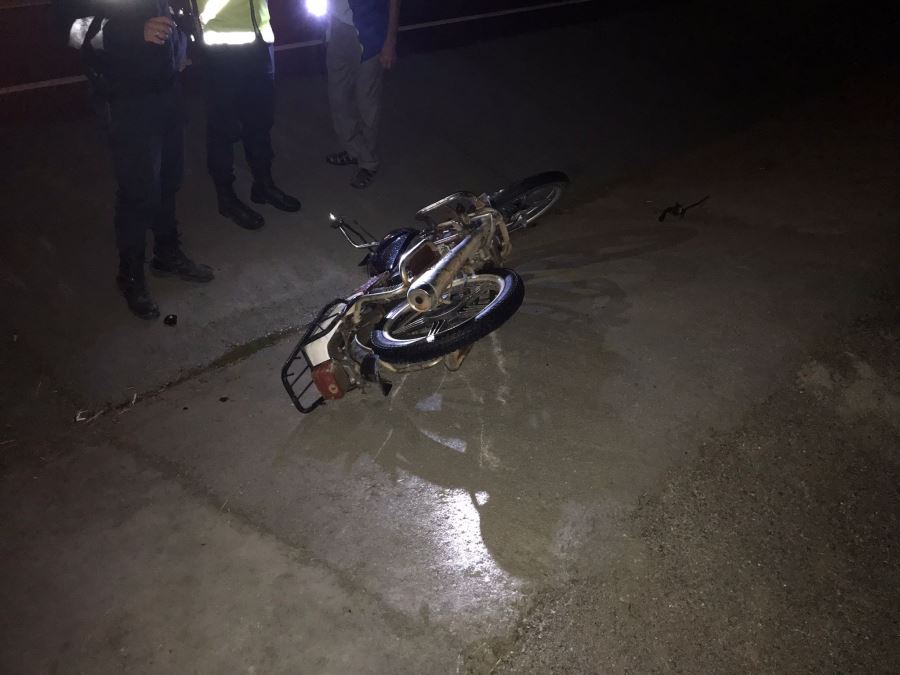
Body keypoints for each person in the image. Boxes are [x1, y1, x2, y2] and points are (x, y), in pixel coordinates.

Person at [101, 0, 214, 319]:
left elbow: (171, 13)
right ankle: (130, 275)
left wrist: (182, 47)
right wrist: (133, 32)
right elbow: (69, 27)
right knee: (138, 191)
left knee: (169, 179)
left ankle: (167, 253)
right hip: (127, 97)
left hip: (167, 90)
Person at [197, 0, 301, 230]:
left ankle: (263, 185)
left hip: (258, 43)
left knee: (260, 120)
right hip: (220, 50)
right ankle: (226, 198)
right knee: (222, 129)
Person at [324, 0, 400, 189]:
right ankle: (353, 150)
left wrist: (390, 40)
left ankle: (368, 162)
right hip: (336, 27)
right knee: (338, 98)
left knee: (367, 104)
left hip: (368, 33)